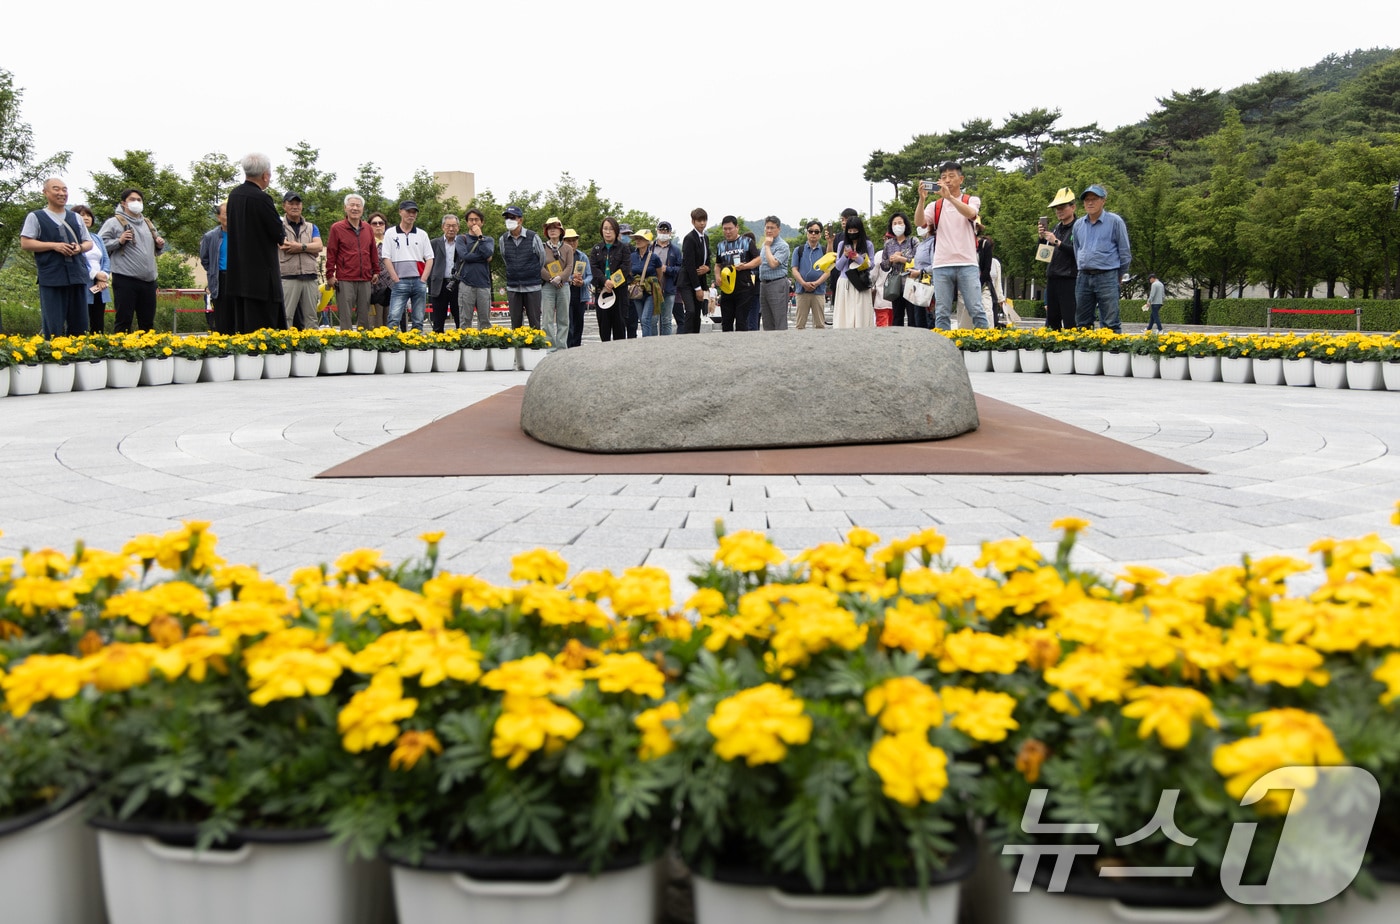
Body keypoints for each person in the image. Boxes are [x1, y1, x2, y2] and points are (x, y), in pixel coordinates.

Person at [918, 162, 989, 330]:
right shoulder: (934, 206)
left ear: (961, 179)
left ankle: (985, 348)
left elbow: (971, 213)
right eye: (943, 177)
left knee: (976, 309)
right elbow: (920, 223)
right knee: (942, 312)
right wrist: (921, 200)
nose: (947, 180)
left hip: (967, 263)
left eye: (951, 176)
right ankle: (944, 350)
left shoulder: (970, 199)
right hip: (942, 264)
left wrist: (949, 197)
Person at [19, 177, 93, 337]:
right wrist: (54, 246)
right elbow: (25, 243)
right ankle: (55, 359)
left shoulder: (76, 218)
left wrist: (79, 248)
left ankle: (79, 359)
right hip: (52, 277)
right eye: (56, 189)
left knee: (80, 327)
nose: (61, 193)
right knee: (53, 327)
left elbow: (89, 243)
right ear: (45, 192)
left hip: (77, 276)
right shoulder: (36, 216)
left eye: (64, 189)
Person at [225, 153, 287, 333]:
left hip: (238, 275)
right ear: (265, 175)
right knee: (265, 332)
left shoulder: (234, 195)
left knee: (244, 329)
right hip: (262, 278)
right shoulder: (262, 199)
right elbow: (278, 233)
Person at [98, 186, 166, 333]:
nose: (136, 202)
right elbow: (99, 245)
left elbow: (154, 249)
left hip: (149, 280)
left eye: (139, 200)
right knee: (124, 319)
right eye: (132, 199)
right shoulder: (113, 222)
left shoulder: (148, 223)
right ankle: (122, 352)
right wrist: (119, 241)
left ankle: (148, 352)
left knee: (147, 322)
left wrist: (159, 245)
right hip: (125, 278)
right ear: (123, 203)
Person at [1071, 184, 1131, 333]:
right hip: (1083, 276)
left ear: (1103, 201)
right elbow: (1077, 250)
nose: (1090, 203)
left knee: (1110, 322)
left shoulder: (1115, 221)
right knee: (1082, 322)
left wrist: (1119, 275)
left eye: (1094, 199)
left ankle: (1112, 354)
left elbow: (1125, 252)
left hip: (1108, 275)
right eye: (1087, 200)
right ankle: (1084, 353)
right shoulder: (1078, 224)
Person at [325, 194, 380, 330]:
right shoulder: (337, 228)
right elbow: (331, 252)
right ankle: (346, 346)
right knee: (345, 316)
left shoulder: (367, 228)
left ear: (362, 209)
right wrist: (330, 274)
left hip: (365, 278)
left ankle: (363, 348)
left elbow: (373, 251)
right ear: (345, 208)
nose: (355, 208)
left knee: (364, 318)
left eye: (358, 205)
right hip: (345, 278)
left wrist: (376, 271)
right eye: (352, 205)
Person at [381, 199, 434, 332]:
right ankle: (392, 345)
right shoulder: (390, 233)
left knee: (418, 319)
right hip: (400, 281)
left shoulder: (422, 234)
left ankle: (416, 347)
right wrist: (395, 278)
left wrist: (423, 279)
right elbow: (386, 257)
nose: (411, 215)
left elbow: (430, 257)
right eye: (408, 211)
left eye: (414, 212)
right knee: (394, 317)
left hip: (418, 280)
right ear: (400, 212)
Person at [278, 192, 323, 331]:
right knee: (286, 316)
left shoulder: (311, 227)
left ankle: (312, 349)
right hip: (288, 275)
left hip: (310, 275)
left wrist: (300, 246)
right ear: (284, 206)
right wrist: (309, 248)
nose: (295, 206)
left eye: (298, 204)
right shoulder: (279, 225)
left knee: (311, 317)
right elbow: (284, 246)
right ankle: (285, 348)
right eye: (291, 203)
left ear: (302, 206)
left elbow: (319, 246)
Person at [1038, 187, 1078, 331]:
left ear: (1073, 207)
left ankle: (1072, 349)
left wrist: (1057, 242)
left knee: (1070, 321)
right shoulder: (1056, 228)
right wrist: (1042, 239)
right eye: (1056, 208)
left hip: (1069, 279)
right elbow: (1044, 255)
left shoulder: (1079, 227)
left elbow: (1078, 252)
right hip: (1053, 277)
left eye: (1062, 207)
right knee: (1052, 321)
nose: (1059, 211)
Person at [498, 205, 545, 329]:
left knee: (535, 322)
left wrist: (531, 271)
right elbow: (505, 258)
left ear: (520, 220)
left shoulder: (533, 237)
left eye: (512, 217)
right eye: (507, 218)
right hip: (513, 286)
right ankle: (518, 348)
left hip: (532, 286)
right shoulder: (503, 239)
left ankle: (535, 347)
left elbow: (542, 259)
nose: (509, 220)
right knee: (515, 323)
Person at [589, 217, 632, 342]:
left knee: (619, 327)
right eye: (605, 229)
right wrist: (604, 281)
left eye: (611, 229)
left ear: (616, 231)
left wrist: (612, 282)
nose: (608, 232)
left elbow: (625, 267)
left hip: (619, 292)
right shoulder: (596, 249)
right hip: (601, 291)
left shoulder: (623, 248)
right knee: (604, 328)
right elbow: (594, 268)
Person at [715, 216, 759, 332]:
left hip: (744, 287)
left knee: (741, 322)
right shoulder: (720, 245)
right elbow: (717, 265)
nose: (727, 232)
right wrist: (717, 276)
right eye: (725, 229)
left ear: (737, 228)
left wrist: (745, 266)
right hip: (726, 288)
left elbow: (758, 259)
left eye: (730, 228)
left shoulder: (747, 241)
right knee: (726, 322)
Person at [72, 204, 111, 335]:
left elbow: (105, 258)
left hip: (101, 284)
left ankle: (98, 346)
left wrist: (104, 275)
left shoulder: (96, 238)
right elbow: (79, 259)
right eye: (82, 215)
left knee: (98, 320)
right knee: (81, 319)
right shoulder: (73, 238)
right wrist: (95, 275)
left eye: (88, 215)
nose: (86, 218)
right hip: (83, 282)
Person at [831, 215, 875, 329]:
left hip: (860, 283)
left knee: (861, 316)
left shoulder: (868, 244)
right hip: (845, 283)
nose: (852, 233)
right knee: (844, 316)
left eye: (855, 230)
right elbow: (838, 267)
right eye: (849, 230)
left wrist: (857, 257)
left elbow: (871, 265)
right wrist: (845, 256)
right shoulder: (842, 245)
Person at [538, 217, 574, 350]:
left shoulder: (568, 248)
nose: (552, 231)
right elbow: (539, 266)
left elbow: (569, 266)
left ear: (561, 230)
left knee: (563, 318)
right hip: (547, 286)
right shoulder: (542, 247)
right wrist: (550, 278)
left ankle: (561, 346)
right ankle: (550, 347)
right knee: (547, 318)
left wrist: (561, 278)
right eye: (549, 228)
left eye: (555, 228)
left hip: (563, 285)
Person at [457, 208, 495, 330]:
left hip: (484, 284)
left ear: (482, 222)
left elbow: (488, 252)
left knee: (485, 321)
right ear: (467, 222)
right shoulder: (461, 238)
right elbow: (464, 256)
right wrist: (484, 257)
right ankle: (466, 346)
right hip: (466, 283)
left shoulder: (488, 240)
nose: (474, 223)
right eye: (471, 220)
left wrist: (480, 236)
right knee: (465, 320)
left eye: (476, 220)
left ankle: (484, 347)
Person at [428, 214, 465, 333]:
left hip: (458, 285)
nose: (451, 229)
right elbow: (428, 263)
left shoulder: (463, 242)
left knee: (461, 319)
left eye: (454, 226)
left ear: (458, 227)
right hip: (439, 285)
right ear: (443, 227)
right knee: (438, 321)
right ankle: (438, 347)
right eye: (448, 226)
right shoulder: (433, 243)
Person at [879, 212, 918, 327]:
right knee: (897, 317)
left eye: (900, 223)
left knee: (912, 317)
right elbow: (884, 266)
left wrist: (902, 259)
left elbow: (918, 261)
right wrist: (891, 260)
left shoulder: (913, 241)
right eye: (894, 223)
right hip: (895, 285)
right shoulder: (888, 244)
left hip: (911, 283)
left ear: (905, 224)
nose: (897, 226)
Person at [199, 202, 232, 333]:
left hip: (239, 277)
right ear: (218, 217)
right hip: (220, 278)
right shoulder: (210, 236)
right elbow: (205, 259)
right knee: (222, 318)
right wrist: (213, 271)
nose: (230, 217)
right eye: (226, 214)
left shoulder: (243, 234)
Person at [678, 208, 712, 334]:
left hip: (700, 279)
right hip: (687, 281)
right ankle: (686, 339)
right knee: (691, 310)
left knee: (697, 312)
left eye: (704, 220)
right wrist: (698, 288)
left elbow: (708, 259)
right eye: (699, 221)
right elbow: (689, 265)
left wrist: (707, 268)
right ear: (693, 222)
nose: (702, 223)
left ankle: (696, 339)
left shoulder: (706, 238)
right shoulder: (689, 238)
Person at [791, 221, 829, 330]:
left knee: (820, 325)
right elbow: (794, 269)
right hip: (802, 291)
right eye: (811, 231)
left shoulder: (824, 250)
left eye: (816, 232)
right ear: (807, 233)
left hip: (819, 291)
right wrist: (803, 283)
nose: (813, 234)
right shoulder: (799, 250)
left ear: (820, 234)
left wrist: (816, 283)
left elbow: (828, 271)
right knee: (800, 325)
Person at [631, 229, 668, 337]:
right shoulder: (632, 257)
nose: (638, 241)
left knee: (645, 318)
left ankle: (646, 344)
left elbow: (659, 274)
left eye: (641, 239)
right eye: (637, 238)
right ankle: (647, 340)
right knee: (642, 320)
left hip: (650, 291)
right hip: (636, 291)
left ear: (648, 241)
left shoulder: (654, 257)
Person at [756, 216, 791, 331]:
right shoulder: (764, 244)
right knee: (767, 320)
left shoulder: (783, 246)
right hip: (764, 284)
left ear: (779, 229)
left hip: (777, 284)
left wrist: (767, 246)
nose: (769, 230)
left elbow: (773, 264)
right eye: (767, 227)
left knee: (779, 320)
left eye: (772, 228)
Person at [652, 221, 682, 336]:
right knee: (653, 320)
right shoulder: (651, 247)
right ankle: (653, 344)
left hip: (669, 288)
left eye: (666, 231)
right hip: (653, 289)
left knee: (666, 320)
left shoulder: (675, 250)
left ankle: (666, 345)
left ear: (670, 232)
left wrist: (667, 269)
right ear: (657, 231)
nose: (663, 232)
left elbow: (680, 269)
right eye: (661, 230)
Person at [563, 228, 590, 347]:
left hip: (580, 295)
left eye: (574, 240)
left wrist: (583, 282)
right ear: (563, 242)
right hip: (565, 293)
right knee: (568, 325)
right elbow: (557, 275)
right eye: (569, 241)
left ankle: (577, 348)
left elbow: (590, 275)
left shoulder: (582, 256)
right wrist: (570, 278)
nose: (572, 243)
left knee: (579, 324)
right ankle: (568, 348)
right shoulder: (560, 257)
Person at [976, 224, 1005, 326]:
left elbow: (998, 282)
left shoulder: (995, 263)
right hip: (976, 286)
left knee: (988, 312)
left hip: (988, 290)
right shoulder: (978, 258)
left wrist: (1001, 299)